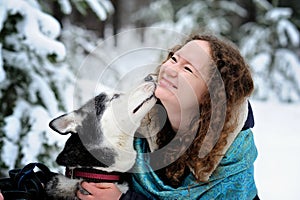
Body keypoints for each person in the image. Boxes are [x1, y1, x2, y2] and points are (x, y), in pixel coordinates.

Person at [76, 33, 259, 200]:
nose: (170, 69)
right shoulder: (139, 119)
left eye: (188, 69)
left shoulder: (233, 160)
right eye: (174, 58)